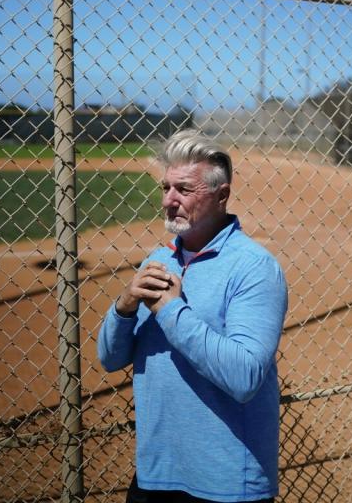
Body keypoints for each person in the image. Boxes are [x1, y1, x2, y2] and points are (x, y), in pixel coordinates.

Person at [98, 129, 288, 503]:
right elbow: (110, 358)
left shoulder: (254, 268)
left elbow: (245, 375)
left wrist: (171, 310)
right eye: (165, 188)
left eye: (183, 190)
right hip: (158, 473)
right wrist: (124, 306)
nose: (169, 200)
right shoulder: (159, 259)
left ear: (221, 195)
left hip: (226, 482)